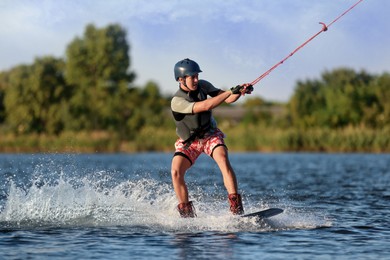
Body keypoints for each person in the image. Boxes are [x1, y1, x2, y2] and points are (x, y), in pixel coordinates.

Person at [170, 58, 253, 218]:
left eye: (196, 76)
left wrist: (239, 92)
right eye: (191, 77)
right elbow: (206, 106)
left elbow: (227, 99)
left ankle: (236, 210)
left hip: (209, 135)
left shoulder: (203, 86)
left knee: (222, 158)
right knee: (175, 171)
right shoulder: (177, 101)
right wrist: (230, 91)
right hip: (189, 142)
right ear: (180, 79)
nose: (196, 80)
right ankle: (187, 216)